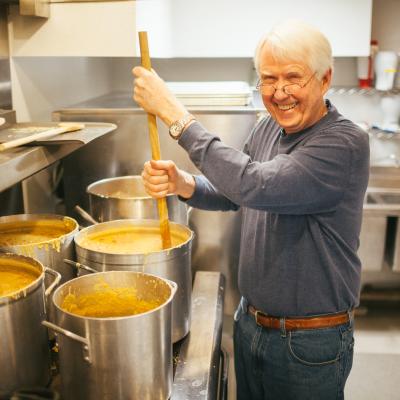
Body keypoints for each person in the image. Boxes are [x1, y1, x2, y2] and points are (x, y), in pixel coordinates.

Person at [133, 20, 369, 400]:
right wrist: (185, 184)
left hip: (308, 343)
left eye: (293, 77)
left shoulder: (343, 143)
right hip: (252, 325)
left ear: (324, 80)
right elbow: (236, 192)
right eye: (268, 79)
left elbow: (255, 184)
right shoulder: (268, 128)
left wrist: (175, 115)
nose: (279, 92)